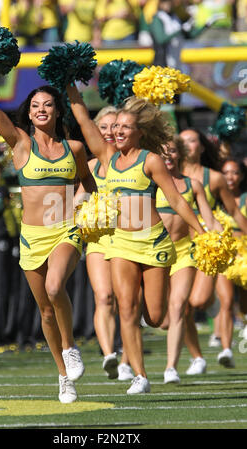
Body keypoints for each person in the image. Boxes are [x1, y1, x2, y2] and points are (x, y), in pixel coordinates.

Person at [67, 82, 205, 394]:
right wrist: (70, 86)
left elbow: (178, 201)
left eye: (125, 128)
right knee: (125, 308)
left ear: (139, 131)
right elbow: (84, 121)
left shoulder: (150, 160)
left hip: (153, 242)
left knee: (155, 317)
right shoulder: (106, 157)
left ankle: (156, 339)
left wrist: (199, 230)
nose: (117, 132)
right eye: (115, 127)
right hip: (119, 243)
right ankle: (139, 375)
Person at [0, 63, 97, 403]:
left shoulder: (74, 148)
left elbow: (87, 183)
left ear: (58, 110)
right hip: (32, 236)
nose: (41, 110)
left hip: (66, 230)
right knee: (46, 310)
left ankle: (71, 346)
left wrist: (81, 202)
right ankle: (63, 375)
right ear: (29, 115)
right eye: (35, 106)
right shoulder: (20, 144)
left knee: (54, 285)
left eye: (47, 104)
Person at [179, 128, 247, 374]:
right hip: (178, 246)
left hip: (208, 248)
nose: (187, 145)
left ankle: (223, 339)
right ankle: (197, 357)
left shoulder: (214, 178)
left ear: (202, 146)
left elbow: (235, 211)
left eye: (193, 140)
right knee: (178, 309)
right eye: (183, 141)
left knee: (199, 301)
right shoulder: (168, 175)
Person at [156, 135, 222, 384]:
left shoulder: (193, 185)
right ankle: (194, 354)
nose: (168, 157)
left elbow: (210, 219)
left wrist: (218, 239)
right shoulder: (151, 183)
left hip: (184, 253)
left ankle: (170, 367)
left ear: (180, 154)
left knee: (178, 306)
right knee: (161, 320)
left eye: (172, 152)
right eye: (163, 153)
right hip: (156, 253)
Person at [75, 105, 134, 381]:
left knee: (127, 301)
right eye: (104, 127)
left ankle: (127, 358)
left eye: (114, 127)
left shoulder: (130, 161)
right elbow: (78, 202)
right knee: (104, 296)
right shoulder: (88, 167)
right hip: (98, 239)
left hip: (128, 237)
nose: (109, 132)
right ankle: (109, 353)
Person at [213, 157, 247, 368]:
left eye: (234, 172)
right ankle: (226, 349)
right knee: (225, 302)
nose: (230, 177)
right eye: (226, 173)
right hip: (224, 255)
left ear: (242, 176)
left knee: (244, 302)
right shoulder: (215, 200)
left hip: (244, 254)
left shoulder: (245, 198)